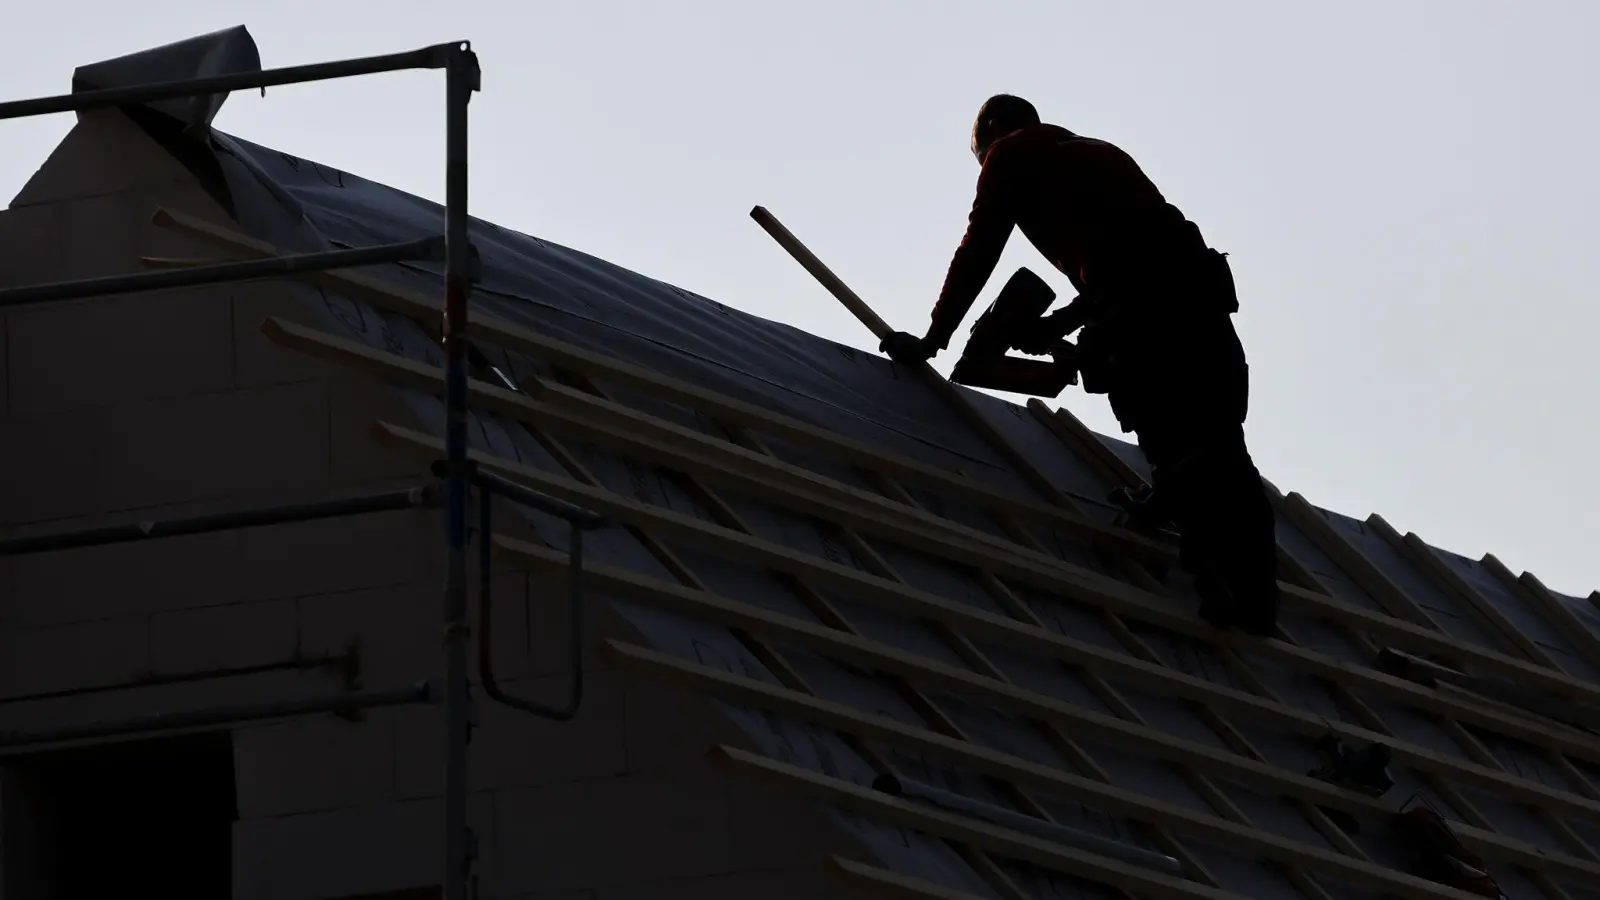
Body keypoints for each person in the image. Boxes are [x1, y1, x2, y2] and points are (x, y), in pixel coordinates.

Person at [879, 94, 1279, 635]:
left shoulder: (1010, 154)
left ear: (995, 131)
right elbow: (1129, 260)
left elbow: (982, 244)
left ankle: (1228, 597)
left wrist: (935, 335)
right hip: (1197, 302)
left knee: (1185, 445)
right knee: (1219, 441)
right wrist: (1061, 327)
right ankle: (1254, 592)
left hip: (1150, 317)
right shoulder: (1095, 153)